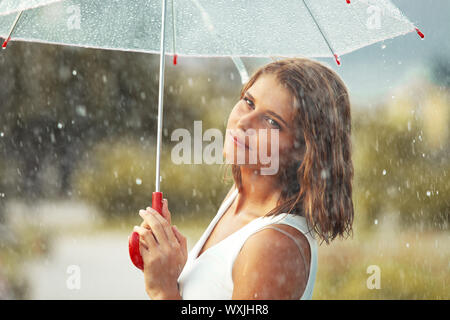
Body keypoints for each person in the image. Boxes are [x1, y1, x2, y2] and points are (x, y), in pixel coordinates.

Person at [133, 57, 354, 300]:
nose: (244, 122)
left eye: (272, 122)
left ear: (305, 150)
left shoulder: (274, 246)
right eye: (248, 102)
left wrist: (162, 290)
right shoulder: (238, 198)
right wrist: (169, 266)